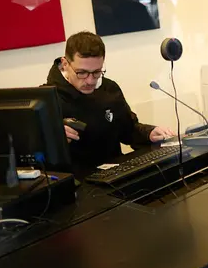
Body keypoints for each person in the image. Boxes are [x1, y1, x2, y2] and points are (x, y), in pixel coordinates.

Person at [45, 31, 174, 174]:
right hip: (75, 183)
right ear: (65, 64)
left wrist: (149, 133)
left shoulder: (109, 89)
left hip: (114, 175)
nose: (90, 81)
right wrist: (52, 139)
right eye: (81, 73)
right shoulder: (47, 101)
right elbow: (32, 156)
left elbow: (128, 130)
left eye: (96, 72)